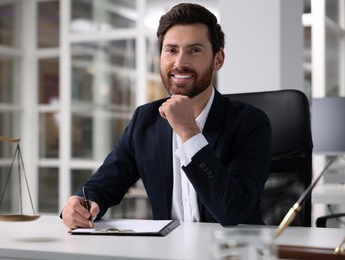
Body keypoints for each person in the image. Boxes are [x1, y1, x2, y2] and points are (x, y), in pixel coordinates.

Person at [61, 3, 271, 229]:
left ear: (218, 59)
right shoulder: (146, 119)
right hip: (166, 249)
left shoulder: (250, 123)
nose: (180, 63)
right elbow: (102, 186)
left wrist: (189, 132)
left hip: (232, 251)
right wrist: (82, 205)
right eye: (171, 50)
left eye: (194, 50)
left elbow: (233, 212)